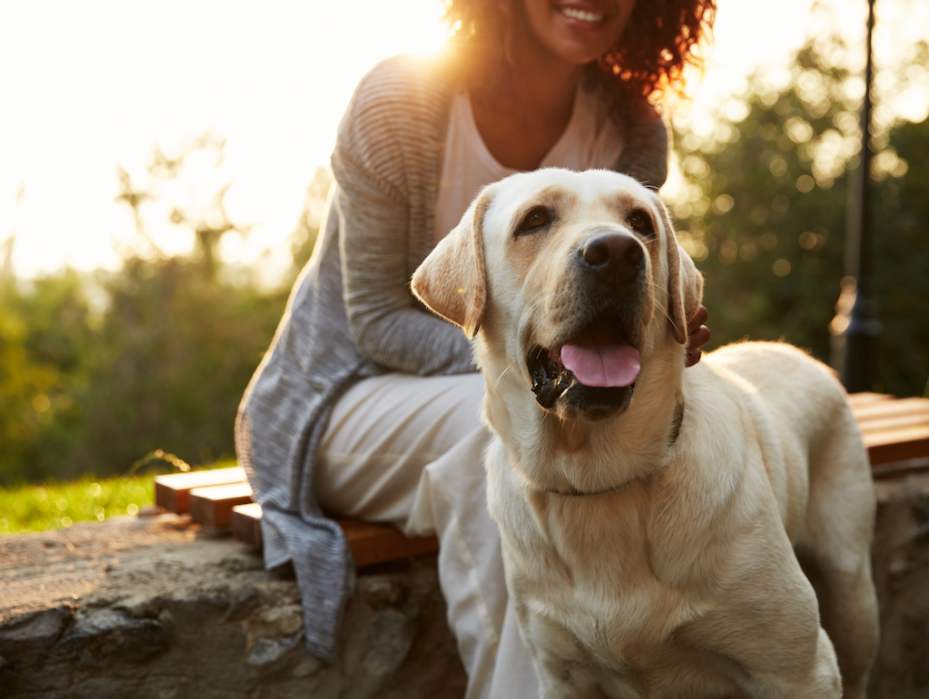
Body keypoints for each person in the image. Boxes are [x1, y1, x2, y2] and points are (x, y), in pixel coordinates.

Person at [235, 0, 715, 695]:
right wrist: (526, 365)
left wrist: (660, 336)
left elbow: (617, 314)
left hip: (533, 393)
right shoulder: (400, 99)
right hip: (340, 398)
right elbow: (374, 318)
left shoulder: (632, 129)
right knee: (506, 432)